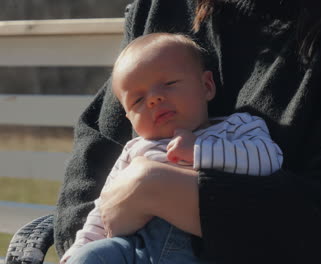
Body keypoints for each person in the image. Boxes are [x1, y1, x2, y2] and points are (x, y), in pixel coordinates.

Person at [55, 0, 321, 263]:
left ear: (206, 85)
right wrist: (89, 244)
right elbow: (98, 148)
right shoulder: (162, 6)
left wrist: (157, 189)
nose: (153, 101)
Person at [61, 32, 283, 263]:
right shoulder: (135, 150)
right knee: (92, 256)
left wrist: (199, 149)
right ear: (129, 118)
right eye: (138, 100)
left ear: (207, 86)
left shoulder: (237, 127)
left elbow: (268, 158)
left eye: (169, 84)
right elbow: (104, 207)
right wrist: (81, 246)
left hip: (206, 250)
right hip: (136, 249)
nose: (154, 99)